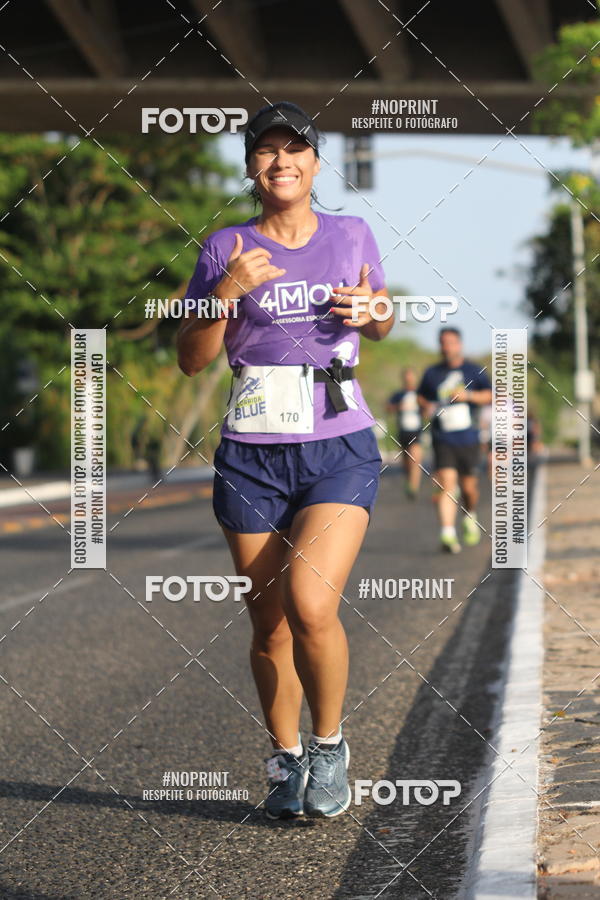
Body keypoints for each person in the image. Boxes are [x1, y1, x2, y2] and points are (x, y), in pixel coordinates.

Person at [177, 101, 393, 819]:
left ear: (316, 164)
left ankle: (328, 744)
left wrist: (373, 313)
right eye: (267, 151)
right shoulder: (223, 246)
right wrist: (224, 295)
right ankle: (285, 759)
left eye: (295, 150)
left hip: (338, 443)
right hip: (251, 454)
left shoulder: (350, 233)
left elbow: (384, 315)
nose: (281, 162)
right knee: (267, 622)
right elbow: (188, 359)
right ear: (250, 166)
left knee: (309, 604)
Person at [417, 328, 492, 554]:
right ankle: (447, 534)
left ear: (459, 344)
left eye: (451, 342)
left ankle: (470, 514)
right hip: (443, 437)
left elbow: (490, 395)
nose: (446, 347)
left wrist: (468, 396)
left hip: (468, 436)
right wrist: (426, 406)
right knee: (446, 484)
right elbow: (421, 396)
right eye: (443, 343)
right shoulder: (432, 373)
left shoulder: (473, 370)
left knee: (469, 488)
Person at [387, 367, 423, 498]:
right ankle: (409, 481)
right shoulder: (398, 394)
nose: (409, 379)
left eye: (411, 377)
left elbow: (428, 408)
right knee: (406, 462)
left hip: (417, 431)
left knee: (416, 458)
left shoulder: (420, 393)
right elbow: (388, 408)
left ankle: (414, 487)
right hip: (402, 432)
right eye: (406, 377)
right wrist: (398, 406)